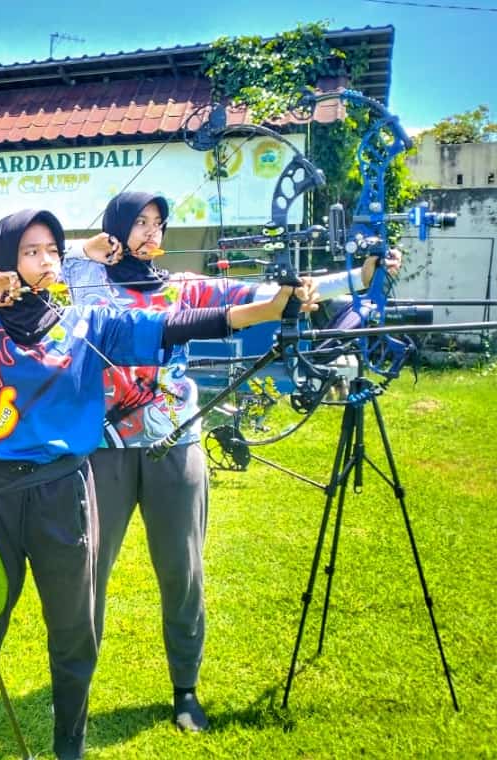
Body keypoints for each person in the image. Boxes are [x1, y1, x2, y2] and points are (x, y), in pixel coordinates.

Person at [0, 209, 318, 759]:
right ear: (2, 259)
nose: (45, 261)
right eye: (29, 251)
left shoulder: (83, 322)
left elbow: (171, 326)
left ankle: (68, 747)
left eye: (52, 250)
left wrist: (264, 309)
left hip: (62, 493)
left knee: (74, 634)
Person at [63, 190, 401, 733]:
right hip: (105, 450)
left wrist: (360, 274)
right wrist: (87, 244)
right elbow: (33, 262)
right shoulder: (84, 279)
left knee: (183, 572)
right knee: (88, 573)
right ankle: (74, 686)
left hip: (177, 446)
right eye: (141, 223)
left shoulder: (183, 288)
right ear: (117, 228)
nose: (152, 233)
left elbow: (270, 293)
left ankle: (185, 690)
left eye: (160, 224)